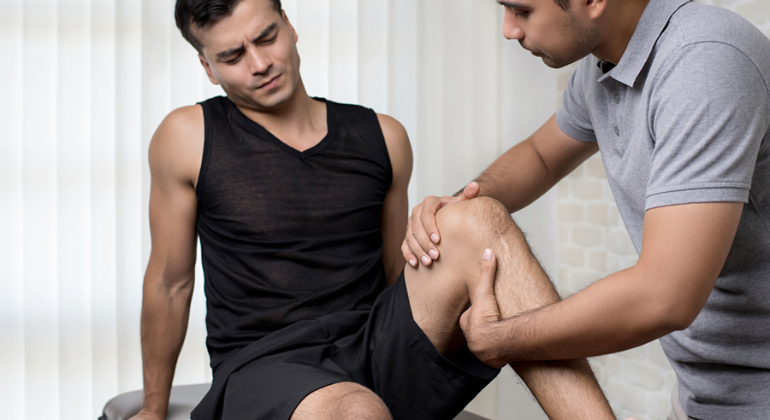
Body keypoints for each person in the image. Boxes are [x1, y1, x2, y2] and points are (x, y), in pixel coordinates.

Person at [130, 0, 617, 419]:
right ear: (208, 68)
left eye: (267, 37)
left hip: (372, 345)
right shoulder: (186, 136)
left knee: (478, 217)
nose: (260, 63)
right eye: (233, 56)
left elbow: (395, 272)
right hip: (264, 368)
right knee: (353, 408)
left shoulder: (384, 136)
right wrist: (154, 408)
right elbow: (170, 284)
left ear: (289, 24)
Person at [404, 0, 770, 419]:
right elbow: (541, 155)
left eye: (521, 11)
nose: (507, 29)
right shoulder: (604, 66)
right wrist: (461, 203)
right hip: (700, 395)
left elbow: (665, 296)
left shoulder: (704, 63)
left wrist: (503, 338)